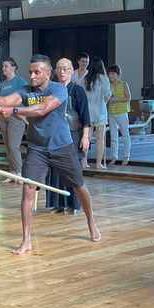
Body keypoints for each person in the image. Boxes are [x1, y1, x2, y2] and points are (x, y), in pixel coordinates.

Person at [0, 54, 100, 255]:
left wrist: (13, 111)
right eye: (30, 72)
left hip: (61, 146)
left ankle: (91, 222)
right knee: (28, 189)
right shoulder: (24, 90)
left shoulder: (58, 89)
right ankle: (26, 240)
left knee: (79, 186)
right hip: (38, 148)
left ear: (48, 74)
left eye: (37, 72)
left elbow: (42, 109)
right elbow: (6, 100)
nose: (32, 76)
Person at [45, 58, 90, 215]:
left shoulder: (78, 91)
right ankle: (57, 204)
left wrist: (85, 137)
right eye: (59, 69)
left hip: (72, 136)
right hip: (54, 137)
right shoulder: (51, 91)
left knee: (72, 172)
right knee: (54, 172)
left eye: (65, 68)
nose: (62, 71)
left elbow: (85, 118)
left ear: (72, 71)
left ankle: (73, 205)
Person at [0, 58, 27, 183]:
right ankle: (12, 173)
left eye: (6, 66)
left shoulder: (20, 81)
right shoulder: (2, 84)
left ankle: (19, 173)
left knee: (14, 146)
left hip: (15, 118)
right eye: (3, 66)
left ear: (13, 68)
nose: (4, 68)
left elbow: (26, 98)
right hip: (2, 117)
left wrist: (22, 112)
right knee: (8, 146)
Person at [82, 57, 112, 169]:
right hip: (100, 110)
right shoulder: (104, 79)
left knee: (86, 138)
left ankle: (84, 162)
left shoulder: (85, 79)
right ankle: (99, 163)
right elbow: (107, 95)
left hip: (87, 111)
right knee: (100, 138)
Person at [107, 65, 131, 166]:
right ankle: (114, 156)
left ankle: (126, 156)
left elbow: (128, 98)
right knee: (113, 135)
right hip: (111, 112)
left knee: (125, 134)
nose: (111, 75)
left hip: (122, 112)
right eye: (110, 73)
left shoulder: (124, 84)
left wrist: (117, 99)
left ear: (118, 74)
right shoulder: (108, 86)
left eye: (113, 73)